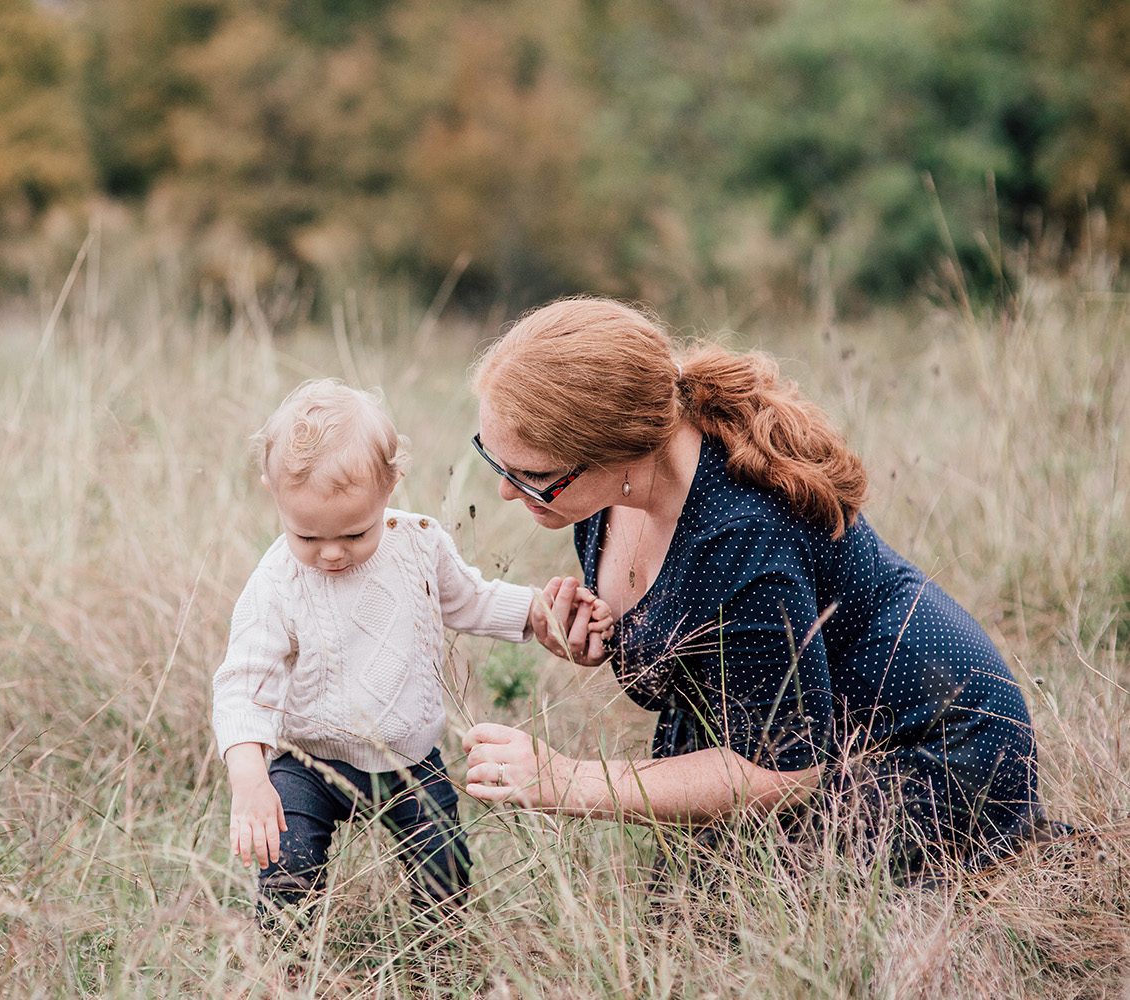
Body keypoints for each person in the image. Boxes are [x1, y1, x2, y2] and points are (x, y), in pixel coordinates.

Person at [460, 297, 1044, 878]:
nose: (510, 492)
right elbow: (699, 647)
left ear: (620, 452)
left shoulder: (741, 540)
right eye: (496, 461)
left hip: (932, 749)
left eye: (531, 476)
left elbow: (785, 771)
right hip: (810, 734)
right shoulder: (596, 496)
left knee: (760, 919)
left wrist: (566, 781)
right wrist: (602, 632)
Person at [211, 378, 611, 927]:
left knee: (443, 870)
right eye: (306, 537)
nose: (330, 554)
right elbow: (242, 681)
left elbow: (469, 600)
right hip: (310, 758)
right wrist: (249, 776)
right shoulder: (277, 580)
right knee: (287, 861)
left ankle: (436, 963)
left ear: (391, 485)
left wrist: (534, 612)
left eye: (354, 533)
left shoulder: (419, 543)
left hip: (411, 756)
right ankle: (290, 963)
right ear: (272, 493)